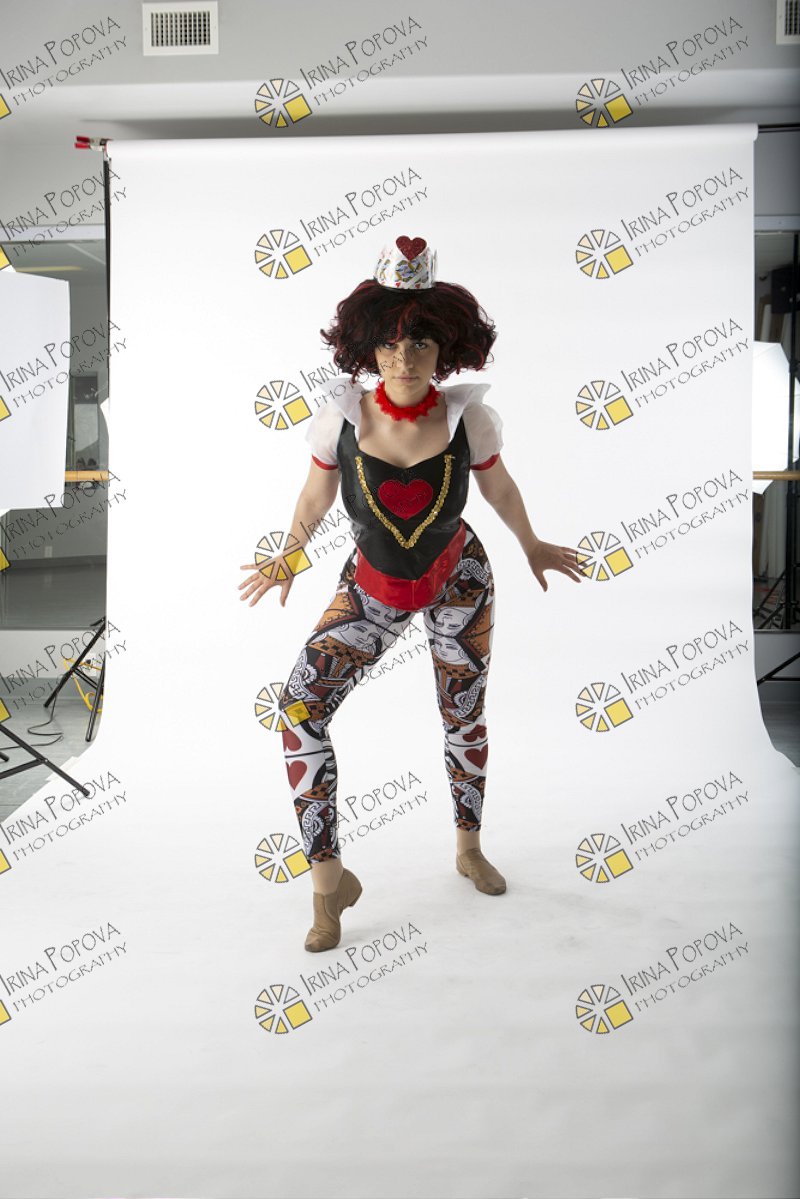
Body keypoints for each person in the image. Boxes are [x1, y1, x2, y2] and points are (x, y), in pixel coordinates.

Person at [239, 236, 582, 953]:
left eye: (420, 342)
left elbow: (499, 488)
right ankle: (329, 884)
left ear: (445, 347)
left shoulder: (467, 419)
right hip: (373, 589)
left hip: (461, 578)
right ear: (368, 347)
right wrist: (290, 554)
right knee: (299, 710)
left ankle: (468, 847)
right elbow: (314, 496)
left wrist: (531, 543)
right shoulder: (340, 418)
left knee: (463, 713)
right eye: (391, 345)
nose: (404, 359)